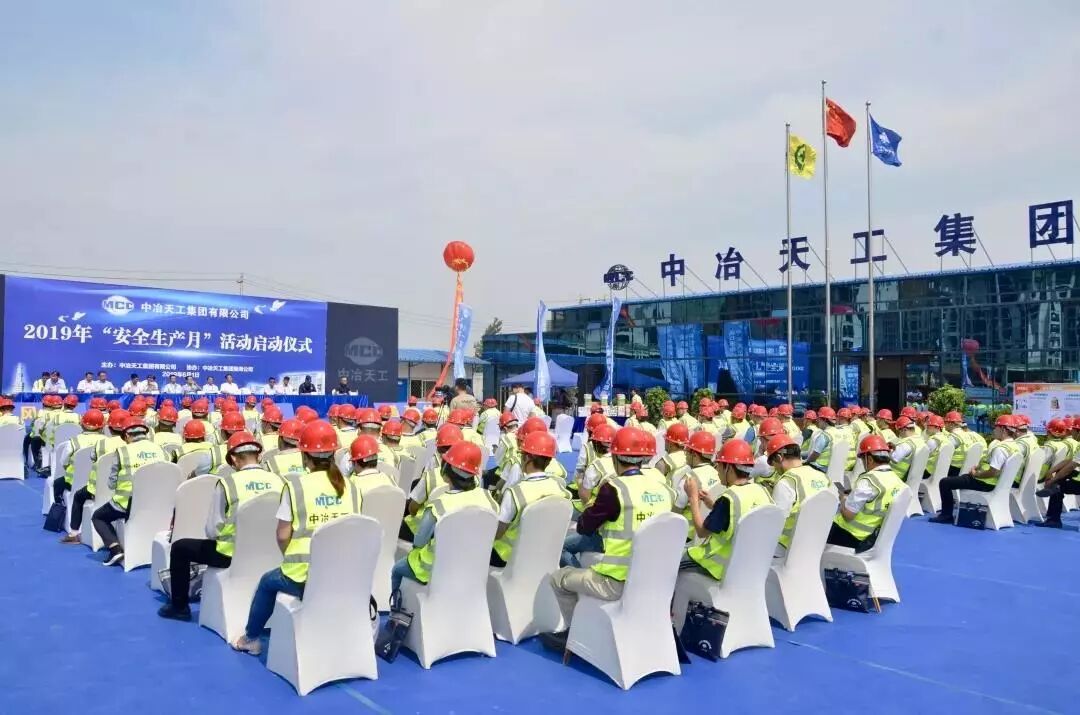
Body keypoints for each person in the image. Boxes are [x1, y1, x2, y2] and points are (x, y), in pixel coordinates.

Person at [231, 421, 359, 655]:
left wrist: (290, 559)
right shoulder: (352, 487)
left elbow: (282, 536)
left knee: (266, 582)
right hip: (343, 574)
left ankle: (251, 638)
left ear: (304, 456)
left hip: (303, 577)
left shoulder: (295, 487)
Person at [542, 427, 674, 651]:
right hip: (655, 579)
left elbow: (584, 527)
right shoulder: (663, 489)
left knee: (558, 578)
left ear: (614, 458)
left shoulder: (614, 489)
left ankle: (576, 633)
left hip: (617, 581)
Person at [158, 431, 283, 621]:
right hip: (272, 551)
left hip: (230, 554)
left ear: (233, 458)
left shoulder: (228, 484)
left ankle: (179, 607)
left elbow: (212, 529)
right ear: (258, 455)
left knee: (179, 548)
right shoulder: (279, 480)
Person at [392, 441, 497, 593]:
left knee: (397, 570)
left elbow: (419, 542)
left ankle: (397, 605)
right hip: (472, 567)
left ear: (446, 472)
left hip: (433, 569)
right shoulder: (489, 500)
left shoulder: (438, 505)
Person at [682, 439, 773, 581]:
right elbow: (736, 517)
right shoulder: (762, 491)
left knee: (672, 561)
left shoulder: (728, 499)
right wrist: (712, 504)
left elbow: (701, 532)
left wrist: (693, 498)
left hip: (716, 565)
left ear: (728, 468)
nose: (717, 471)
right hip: (747, 564)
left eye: (719, 465)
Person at [93, 416, 168, 566]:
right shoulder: (162, 450)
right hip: (157, 503)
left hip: (127, 505)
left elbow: (111, 484)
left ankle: (115, 549)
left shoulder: (122, 452)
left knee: (98, 517)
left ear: (127, 435)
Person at [492, 431, 570, 567]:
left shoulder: (515, 493)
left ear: (527, 458)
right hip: (545, 553)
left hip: (508, 556)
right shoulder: (561, 490)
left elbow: (498, 532)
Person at [930, 414, 1021, 524]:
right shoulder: (1015, 447)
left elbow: (993, 472)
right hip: (995, 483)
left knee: (945, 482)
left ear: (1003, 429)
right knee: (962, 478)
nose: (993, 430)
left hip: (985, 483)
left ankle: (946, 515)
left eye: (995, 427)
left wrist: (976, 474)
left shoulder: (1001, 449)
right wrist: (978, 468)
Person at [62, 409, 130, 543]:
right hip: (125, 493)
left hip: (97, 490)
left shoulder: (101, 444)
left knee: (78, 496)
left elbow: (93, 459)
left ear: (108, 427)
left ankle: (74, 533)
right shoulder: (130, 445)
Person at [828, 435, 907, 546]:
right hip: (872, 536)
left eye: (862, 460)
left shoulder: (868, 482)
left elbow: (848, 515)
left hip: (849, 535)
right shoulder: (899, 482)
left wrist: (843, 499)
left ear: (869, 459)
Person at [767, 435, 833, 552]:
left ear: (779, 457)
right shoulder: (824, 477)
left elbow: (774, 523)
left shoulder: (787, 482)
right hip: (816, 544)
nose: (774, 468)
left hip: (786, 547)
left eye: (773, 463)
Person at [403, 424, 463, 538]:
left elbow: (413, 508)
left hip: (425, 528)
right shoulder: (475, 480)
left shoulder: (432, 476)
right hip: (456, 529)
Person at [670, 431, 723, 538]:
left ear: (694, 454)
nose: (685, 454)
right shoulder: (718, 474)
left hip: (689, 535)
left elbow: (676, 512)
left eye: (687, 451)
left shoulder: (689, 479)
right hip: (711, 531)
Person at [51, 408, 106, 508]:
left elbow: (63, 462)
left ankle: (60, 507)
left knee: (57, 483)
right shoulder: (107, 442)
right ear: (102, 426)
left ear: (82, 424)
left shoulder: (73, 442)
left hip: (73, 483)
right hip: (100, 484)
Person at [888, 416, 926, 481]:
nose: (899, 434)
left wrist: (887, 450)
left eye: (899, 431)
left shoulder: (907, 444)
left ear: (904, 429)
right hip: (910, 476)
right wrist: (896, 448)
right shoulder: (920, 440)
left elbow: (895, 458)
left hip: (895, 476)